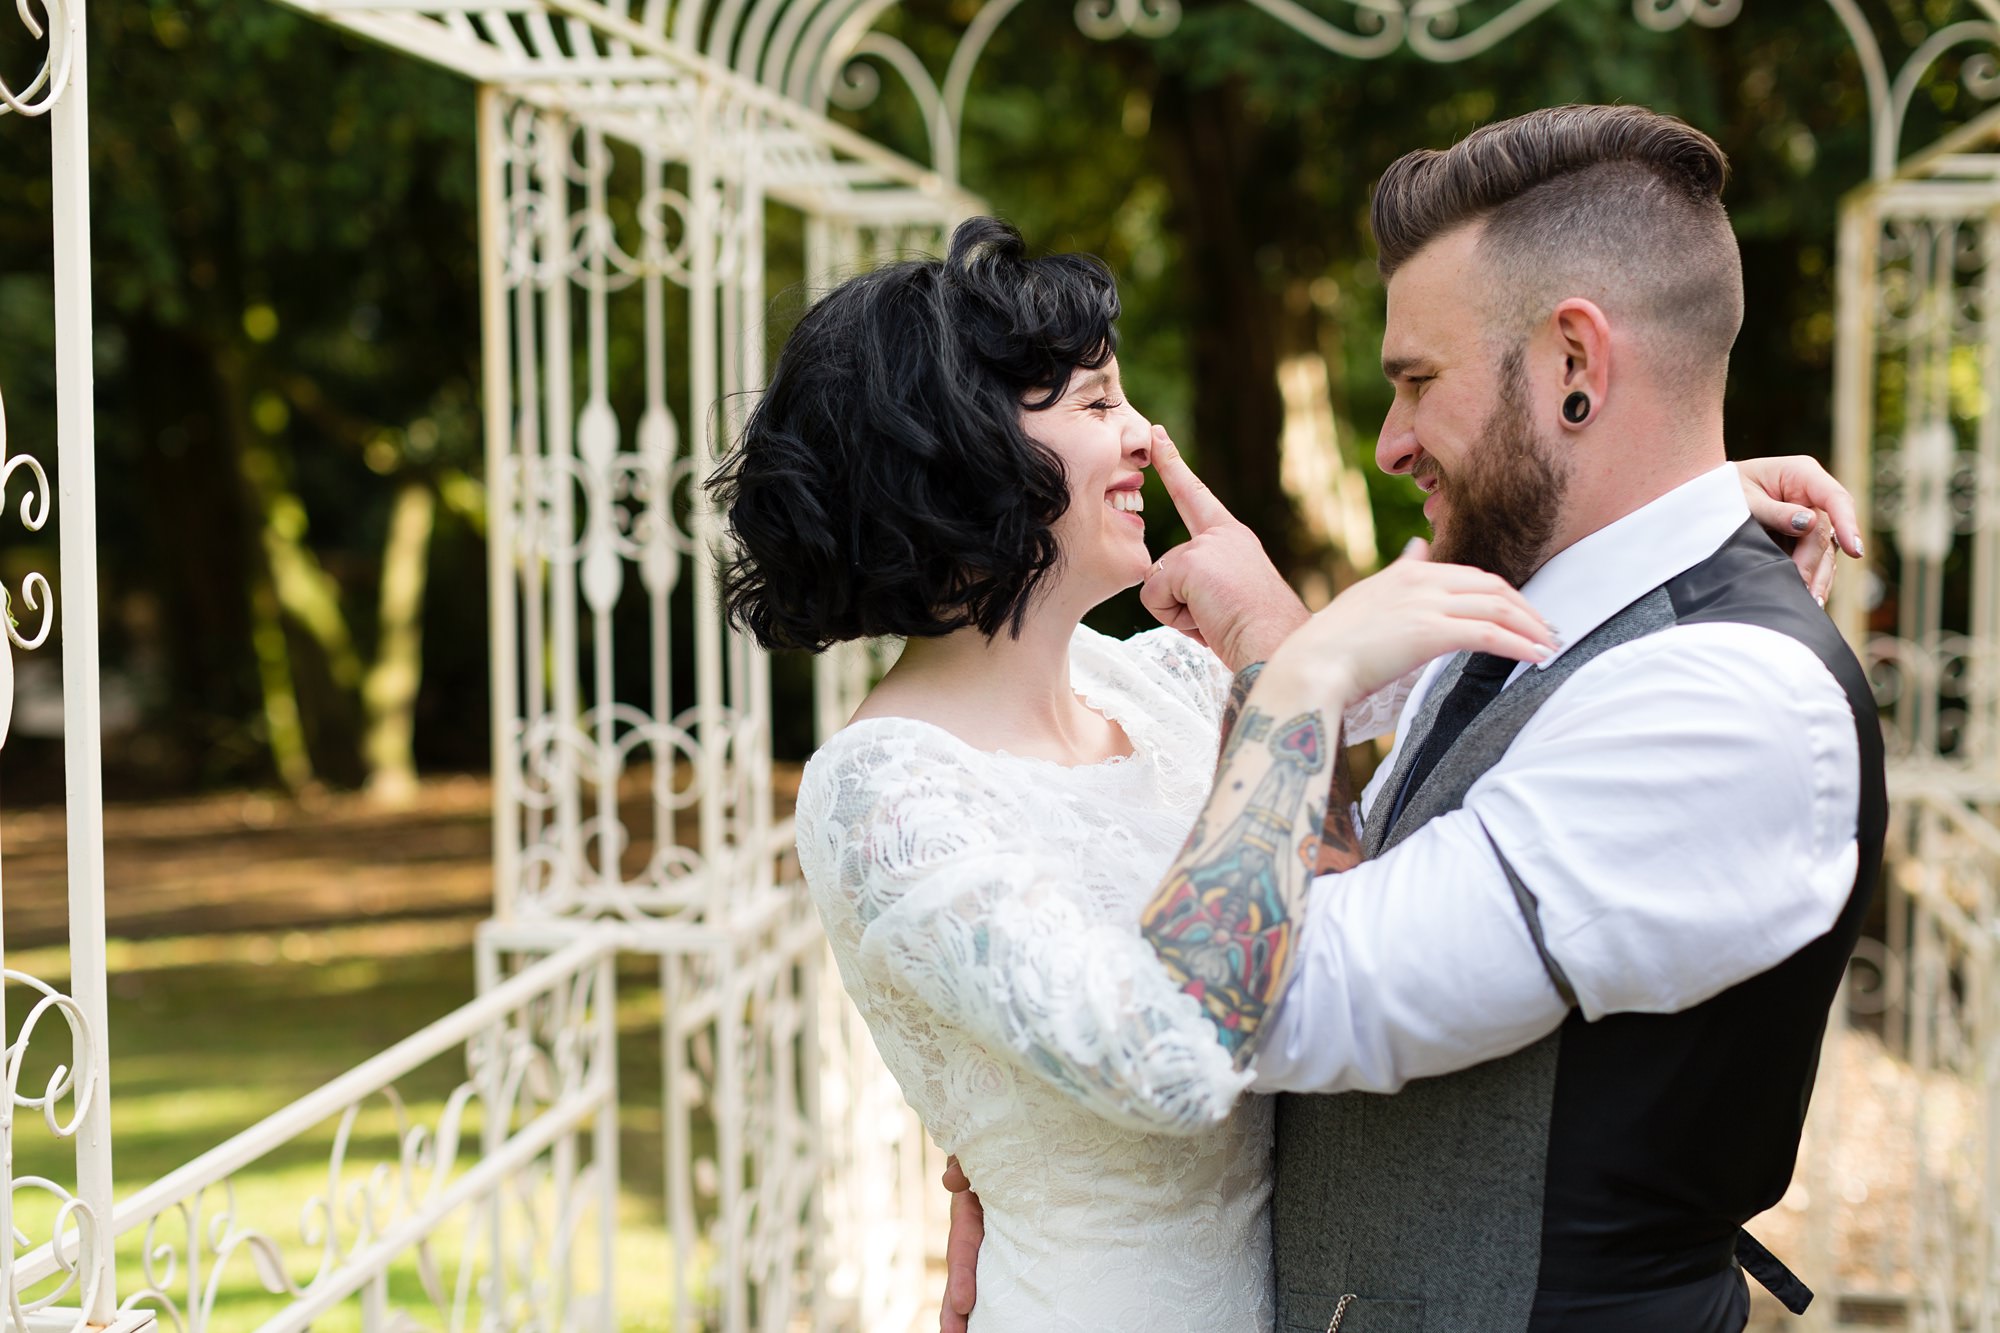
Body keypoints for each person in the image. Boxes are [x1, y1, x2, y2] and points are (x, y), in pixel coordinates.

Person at [710, 213, 1857, 1332]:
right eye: (1098, 403)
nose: (1143, 436)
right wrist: (1297, 678)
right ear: (957, 448)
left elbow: (1469, 674)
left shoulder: (1159, 683)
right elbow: (1162, 1059)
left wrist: (1660, 498)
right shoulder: (883, 791)